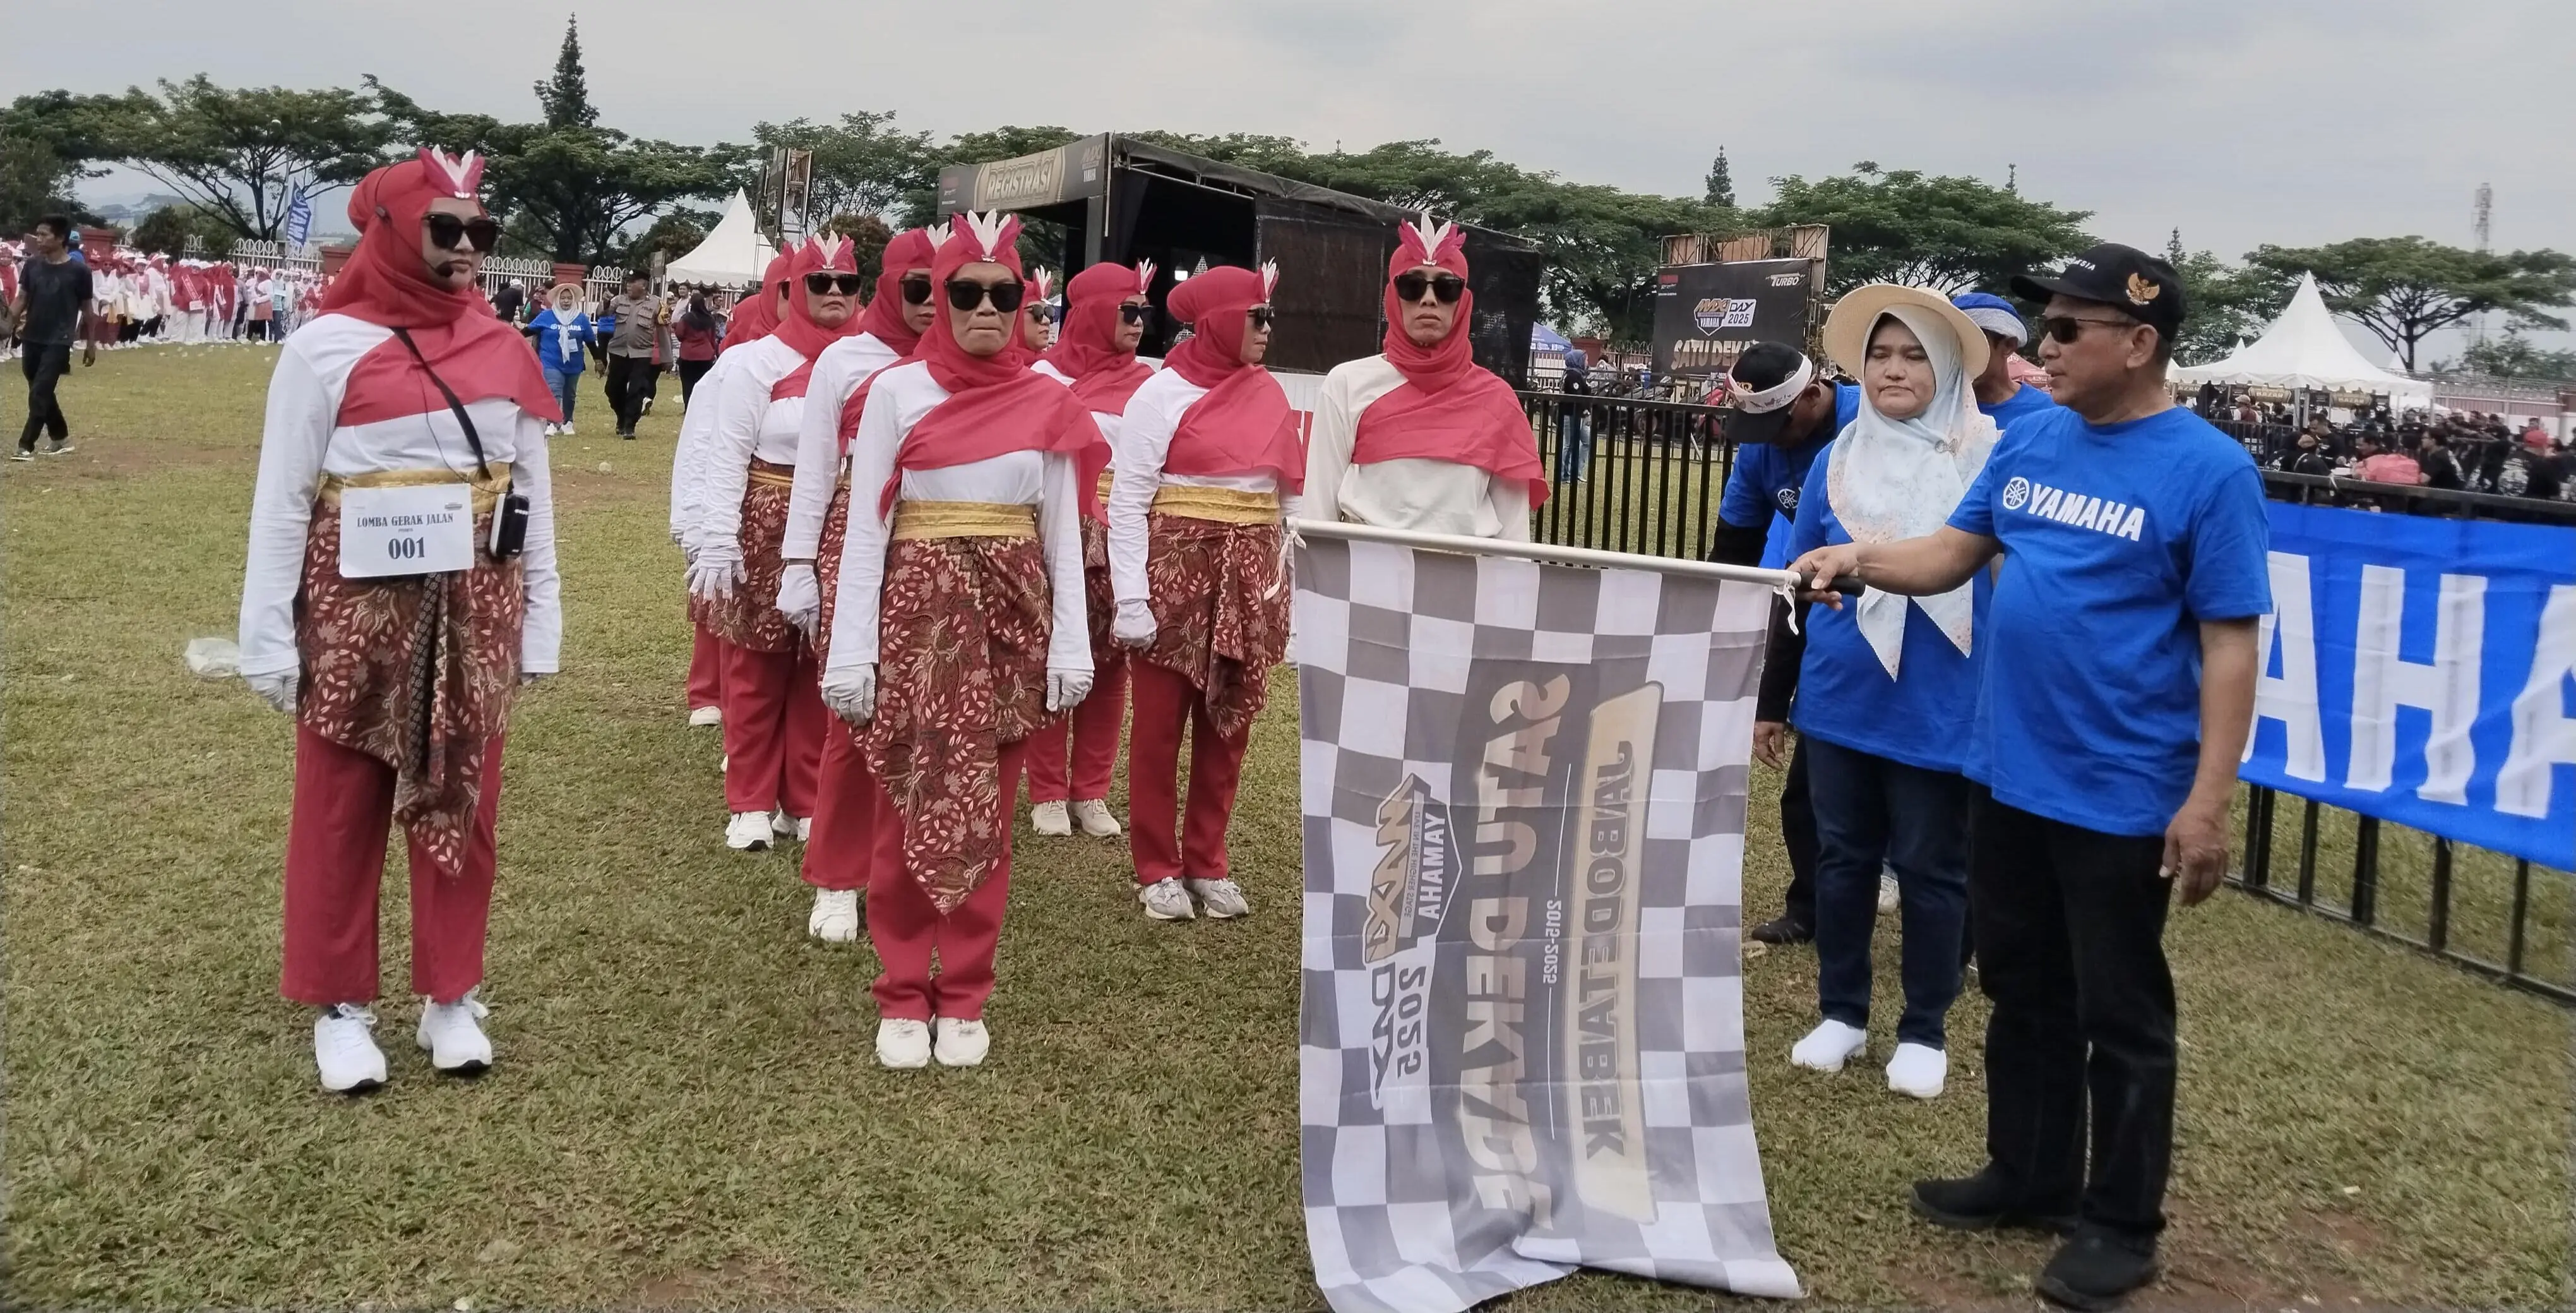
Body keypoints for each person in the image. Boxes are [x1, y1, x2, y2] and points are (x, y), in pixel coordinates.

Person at [1791, 243, 2268, 1311]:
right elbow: (1952, 552)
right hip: (2004, 770)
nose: (2040, 348)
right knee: (2018, 984)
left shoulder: (2209, 469)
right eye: (2044, 327)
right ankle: (2029, 1171)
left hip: (2118, 787)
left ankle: (2120, 1220)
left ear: (2138, 342)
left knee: (2121, 1011)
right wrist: (1853, 557)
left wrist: (2207, 800)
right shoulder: (2039, 439)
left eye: (2066, 331)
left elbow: (2233, 641)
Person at [234, 148, 564, 1094]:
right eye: (445, 229)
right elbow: (283, 498)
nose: (467, 249)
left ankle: (450, 992)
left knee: (465, 797)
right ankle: (341, 1003)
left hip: (474, 609)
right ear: (387, 231)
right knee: (340, 805)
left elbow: (529, 495)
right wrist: (267, 634)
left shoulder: (503, 347)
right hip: (353, 611)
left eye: (481, 232)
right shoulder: (322, 348)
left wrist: (541, 623)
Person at [821, 210, 1101, 1068]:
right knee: (909, 791)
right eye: (967, 293)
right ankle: (903, 988)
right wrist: (850, 647)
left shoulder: (1050, 399)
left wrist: (1072, 645)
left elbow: (1062, 531)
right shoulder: (897, 394)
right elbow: (870, 525)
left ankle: (968, 988)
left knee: (991, 803)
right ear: (940, 299)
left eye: (1002, 293)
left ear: (1021, 301)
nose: (986, 307)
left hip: (1014, 613)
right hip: (917, 618)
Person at [1780, 286, 1999, 1101]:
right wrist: (1805, 579)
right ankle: (1843, 1011)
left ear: (1944, 365)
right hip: (1844, 690)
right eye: (1880, 354)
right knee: (1842, 858)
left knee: (1934, 865)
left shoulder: (1987, 453)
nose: (1894, 370)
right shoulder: (1837, 453)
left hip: (1940, 697)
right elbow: (1797, 567)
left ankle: (1924, 1027)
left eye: (1913, 355)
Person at [1108, 263, 1301, 923]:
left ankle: (1208, 861)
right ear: (1220, 320)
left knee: (1230, 723)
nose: (1267, 330)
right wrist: (1132, 599)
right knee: (1160, 729)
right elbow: (1130, 500)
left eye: (1270, 318)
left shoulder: (1270, 394)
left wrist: (1284, 592)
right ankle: (1157, 867)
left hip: (1246, 575)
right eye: (1258, 317)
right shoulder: (1159, 396)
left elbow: (1288, 500)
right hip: (1175, 574)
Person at [775, 226, 938, 940]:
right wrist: (798, 566)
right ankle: (838, 876)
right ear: (891, 285)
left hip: (950, 547)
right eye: (919, 289)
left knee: (939, 712)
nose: (936, 304)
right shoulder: (847, 359)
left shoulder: (987, 363)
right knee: (857, 706)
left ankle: (915, 861)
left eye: (952, 288)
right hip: (860, 537)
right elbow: (815, 470)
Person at [689, 237, 864, 852]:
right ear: (791, 291)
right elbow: (725, 455)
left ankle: (806, 798)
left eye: (847, 281)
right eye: (820, 282)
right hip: (766, 519)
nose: (836, 293)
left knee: (820, 667)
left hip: (838, 521)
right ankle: (750, 801)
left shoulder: (873, 363)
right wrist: (715, 539)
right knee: (758, 667)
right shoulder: (754, 364)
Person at [1712, 341, 1860, 945]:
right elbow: (1734, 552)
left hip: (1893, 610)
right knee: (1808, 792)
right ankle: (1810, 909)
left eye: (1780, 422)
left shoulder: (1869, 425)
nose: (1769, 438)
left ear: (1812, 393)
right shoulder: (1760, 451)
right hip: (1819, 612)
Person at [1306, 212, 1546, 540]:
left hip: (1463, 581)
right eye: (1412, 286)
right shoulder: (1347, 384)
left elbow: (1514, 535)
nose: (1429, 299)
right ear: (1393, 296)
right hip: (1367, 579)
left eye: (1447, 288)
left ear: (1463, 302)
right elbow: (1318, 513)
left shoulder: (1497, 399)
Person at [1024, 259, 1159, 840]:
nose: (1138, 322)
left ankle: (1092, 790)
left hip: (1122, 531)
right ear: (1098, 313)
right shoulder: (1043, 380)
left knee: (1112, 663)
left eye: (1144, 313)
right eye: (1128, 311)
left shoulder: (1150, 386)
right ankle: (1049, 790)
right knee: (1052, 654)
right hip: (1060, 525)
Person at [672, 253, 792, 731]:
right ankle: (710, 692)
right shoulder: (738, 364)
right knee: (724, 600)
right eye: (787, 290)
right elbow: (702, 445)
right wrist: (697, 521)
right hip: (741, 504)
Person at [11, 215, 95, 460]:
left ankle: (26, 446)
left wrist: (90, 344)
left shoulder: (80, 271)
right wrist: (7, 324)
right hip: (32, 336)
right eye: (37, 234)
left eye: (44, 234)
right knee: (40, 389)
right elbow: (21, 299)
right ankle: (60, 437)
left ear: (60, 239)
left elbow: (88, 311)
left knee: (39, 392)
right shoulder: (32, 266)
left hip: (60, 339)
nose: (39, 239)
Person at [526, 285, 596, 438]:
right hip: (551, 361)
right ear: (557, 300)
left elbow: (591, 341)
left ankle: (568, 421)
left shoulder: (581, 319)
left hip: (574, 364)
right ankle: (552, 423)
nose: (566, 301)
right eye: (563, 298)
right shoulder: (546, 316)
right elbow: (528, 331)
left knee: (569, 395)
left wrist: (599, 360)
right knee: (554, 391)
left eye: (569, 298)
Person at [600, 271, 664, 439]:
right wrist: (605, 302)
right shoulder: (618, 300)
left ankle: (630, 426)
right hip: (619, 351)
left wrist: (666, 358)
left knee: (637, 390)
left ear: (643, 285)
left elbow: (664, 330)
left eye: (632, 282)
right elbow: (603, 313)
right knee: (612, 389)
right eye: (627, 282)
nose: (628, 285)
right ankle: (621, 416)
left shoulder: (656, 304)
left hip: (642, 353)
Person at [674, 291, 719, 407]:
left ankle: (688, 406)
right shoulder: (710, 320)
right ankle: (701, 406)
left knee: (688, 383)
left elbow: (679, 334)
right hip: (705, 356)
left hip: (687, 356)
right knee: (704, 384)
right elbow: (712, 338)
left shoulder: (686, 318)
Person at [1557, 345, 1594, 482]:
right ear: (1578, 360)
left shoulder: (1579, 374)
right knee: (1570, 443)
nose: (1587, 363)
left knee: (1587, 442)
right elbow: (1577, 396)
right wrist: (1585, 411)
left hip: (1581, 415)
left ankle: (1577, 472)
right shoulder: (1572, 375)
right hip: (1572, 414)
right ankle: (1563, 474)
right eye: (1586, 360)